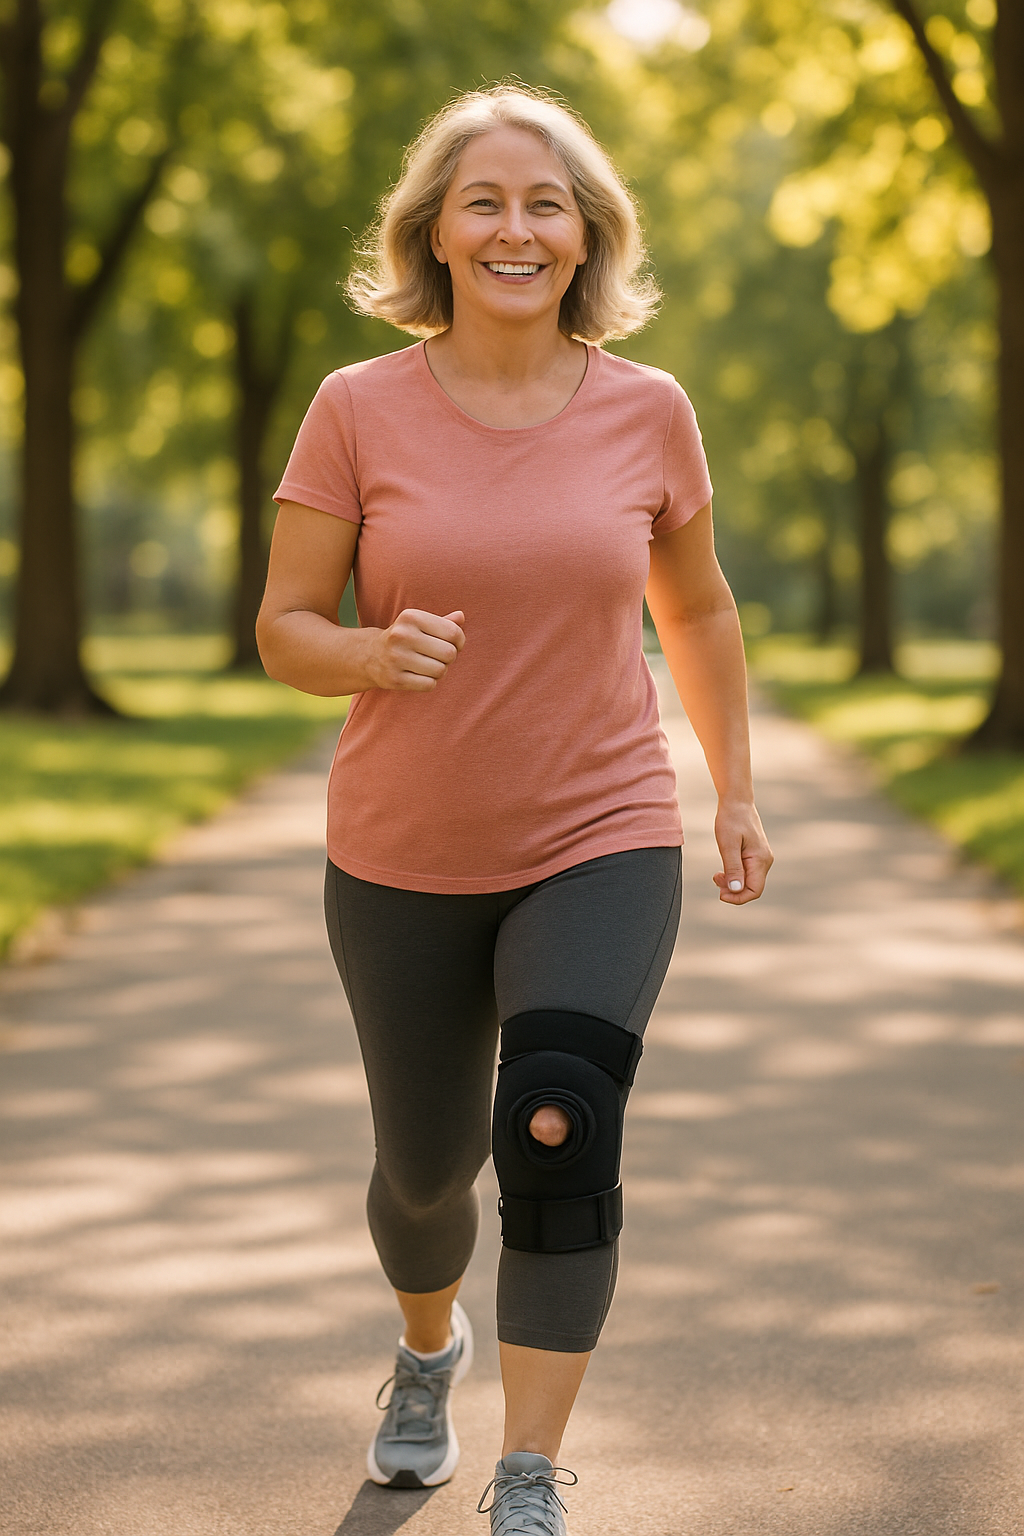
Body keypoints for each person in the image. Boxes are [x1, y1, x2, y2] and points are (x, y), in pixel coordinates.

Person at [257, 83, 772, 1536]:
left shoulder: (646, 410)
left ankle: (529, 1470)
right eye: (483, 199)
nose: (516, 227)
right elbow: (285, 624)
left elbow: (703, 606)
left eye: (546, 202)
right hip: (404, 853)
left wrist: (733, 789)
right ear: (432, 231)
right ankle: (428, 1350)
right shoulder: (356, 408)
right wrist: (368, 650)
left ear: (587, 236)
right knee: (426, 1176)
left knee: (558, 1123)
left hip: (598, 836)